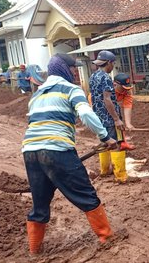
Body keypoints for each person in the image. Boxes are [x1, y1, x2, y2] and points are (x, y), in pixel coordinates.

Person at [22, 53, 117, 255]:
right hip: (57, 149)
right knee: (85, 194)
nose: (75, 73)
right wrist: (105, 137)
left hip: (30, 151)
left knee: (40, 203)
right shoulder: (71, 89)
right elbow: (85, 114)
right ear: (66, 69)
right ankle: (106, 236)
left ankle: (34, 250)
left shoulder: (36, 95)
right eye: (74, 69)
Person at [89, 50, 138, 182]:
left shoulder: (93, 76)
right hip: (108, 118)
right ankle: (121, 176)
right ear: (109, 63)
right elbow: (107, 99)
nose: (113, 67)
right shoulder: (105, 77)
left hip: (98, 117)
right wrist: (116, 119)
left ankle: (105, 170)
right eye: (113, 63)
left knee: (105, 142)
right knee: (116, 144)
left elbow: (94, 99)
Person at [113, 73, 135, 150]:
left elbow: (127, 106)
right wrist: (115, 119)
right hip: (98, 105)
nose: (126, 90)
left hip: (113, 106)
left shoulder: (127, 91)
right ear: (115, 84)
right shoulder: (109, 90)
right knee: (108, 127)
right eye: (123, 88)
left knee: (119, 122)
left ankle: (122, 143)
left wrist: (128, 123)